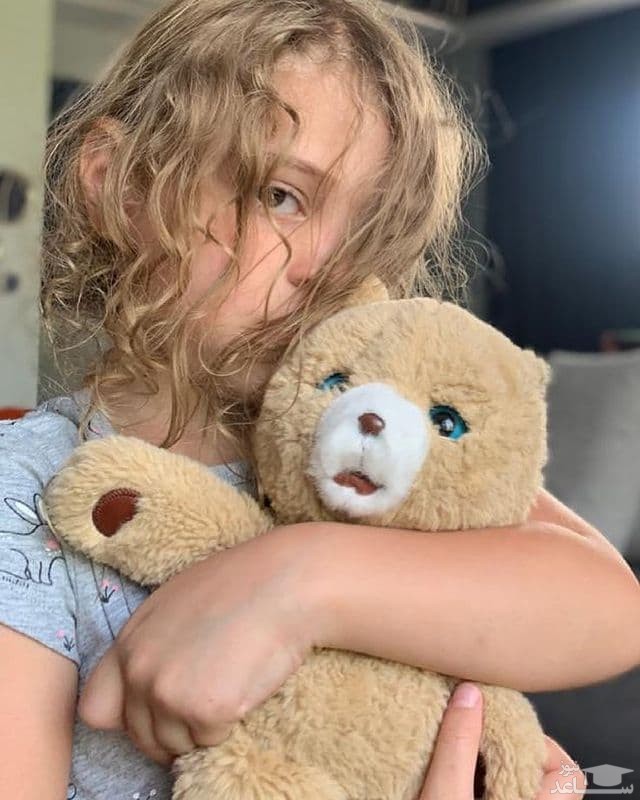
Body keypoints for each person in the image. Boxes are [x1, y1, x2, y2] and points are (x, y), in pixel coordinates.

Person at [0, 1, 637, 798]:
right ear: (120, 184)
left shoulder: (353, 440)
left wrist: (303, 580)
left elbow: (613, 607)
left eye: (368, 230)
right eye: (282, 195)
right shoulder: (27, 488)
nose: (328, 268)